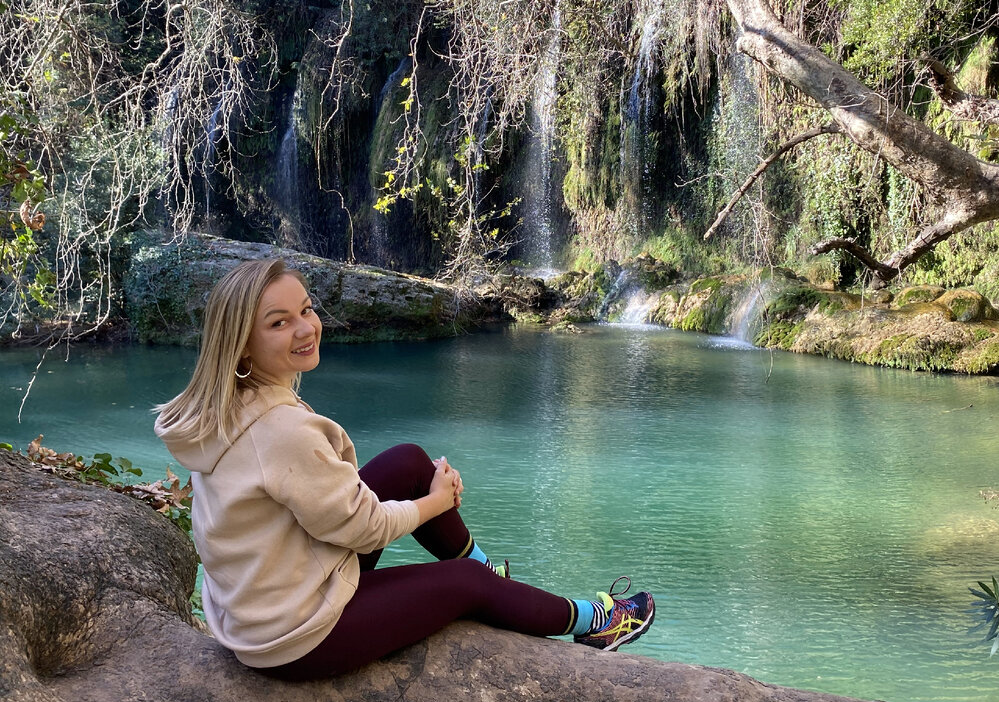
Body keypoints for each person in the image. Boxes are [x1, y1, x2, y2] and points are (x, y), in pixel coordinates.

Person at [154, 257, 654, 679]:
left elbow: (330, 506)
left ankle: (489, 571)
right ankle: (595, 622)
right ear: (242, 343)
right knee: (467, 586)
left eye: (306, 309)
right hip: (293, 634)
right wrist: (435, 502)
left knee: (407, 462)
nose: (306, 328)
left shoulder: (228, 404)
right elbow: (363, 527)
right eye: (278, 322)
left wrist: (420, 493)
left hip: (263, 595)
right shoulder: (280, 431)